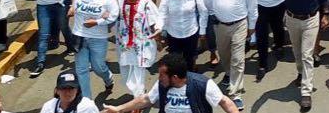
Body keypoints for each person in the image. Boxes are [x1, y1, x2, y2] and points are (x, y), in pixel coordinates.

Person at [38, 0, 117, 100]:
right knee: (81, 70)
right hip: (79, 36)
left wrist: (97, 22)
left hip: (98, 38)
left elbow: (114, 14)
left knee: (99, 67)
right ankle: (86, 102)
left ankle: (108, 78)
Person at [275, 0, 329, 111]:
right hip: (292, 18)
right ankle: (300, 73)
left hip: (311, 19)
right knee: (297, 52)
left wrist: (326, 14)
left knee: (307, 55)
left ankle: (306, 92)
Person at [203, 0, 257, 111]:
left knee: (238, 60)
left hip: (240, 25)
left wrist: (252, 27)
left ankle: (235, 93)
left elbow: (252, 7)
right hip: (220, 25)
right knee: (224, 55)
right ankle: (228, 73)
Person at [103, 52, 240, 113]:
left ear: (174, 77)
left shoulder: (203, 84)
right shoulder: (163, 84)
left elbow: (224, 101)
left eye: (162, 75)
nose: (159, 78)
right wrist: (118, 109)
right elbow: (146, 99)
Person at [158, 0, 208, 71]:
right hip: (173, 34)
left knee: (189, 60)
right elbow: (162, 14)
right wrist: (158, 29)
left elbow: (203, 12)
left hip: (191, 33)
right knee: (175, 63)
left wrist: (202, 31)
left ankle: (188, 81)